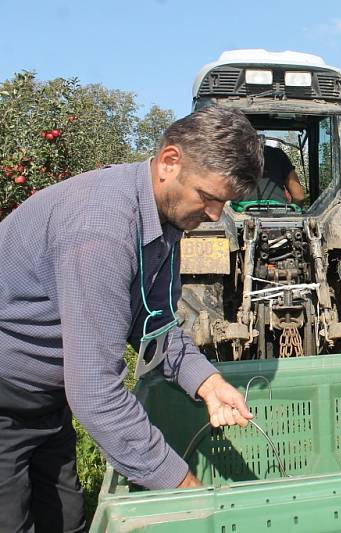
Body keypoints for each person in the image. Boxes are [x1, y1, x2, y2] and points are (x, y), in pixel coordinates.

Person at [0, 106, 264, 531]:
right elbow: (96, 393)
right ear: (169, 161)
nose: (216, 215)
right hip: (6, 396)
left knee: (65, 520)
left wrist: (208, 382)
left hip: (45, 404)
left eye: (226, 203)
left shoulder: (165, 219)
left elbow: (155, 320)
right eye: (209, 197)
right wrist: (186, 491)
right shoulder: (100, 231)